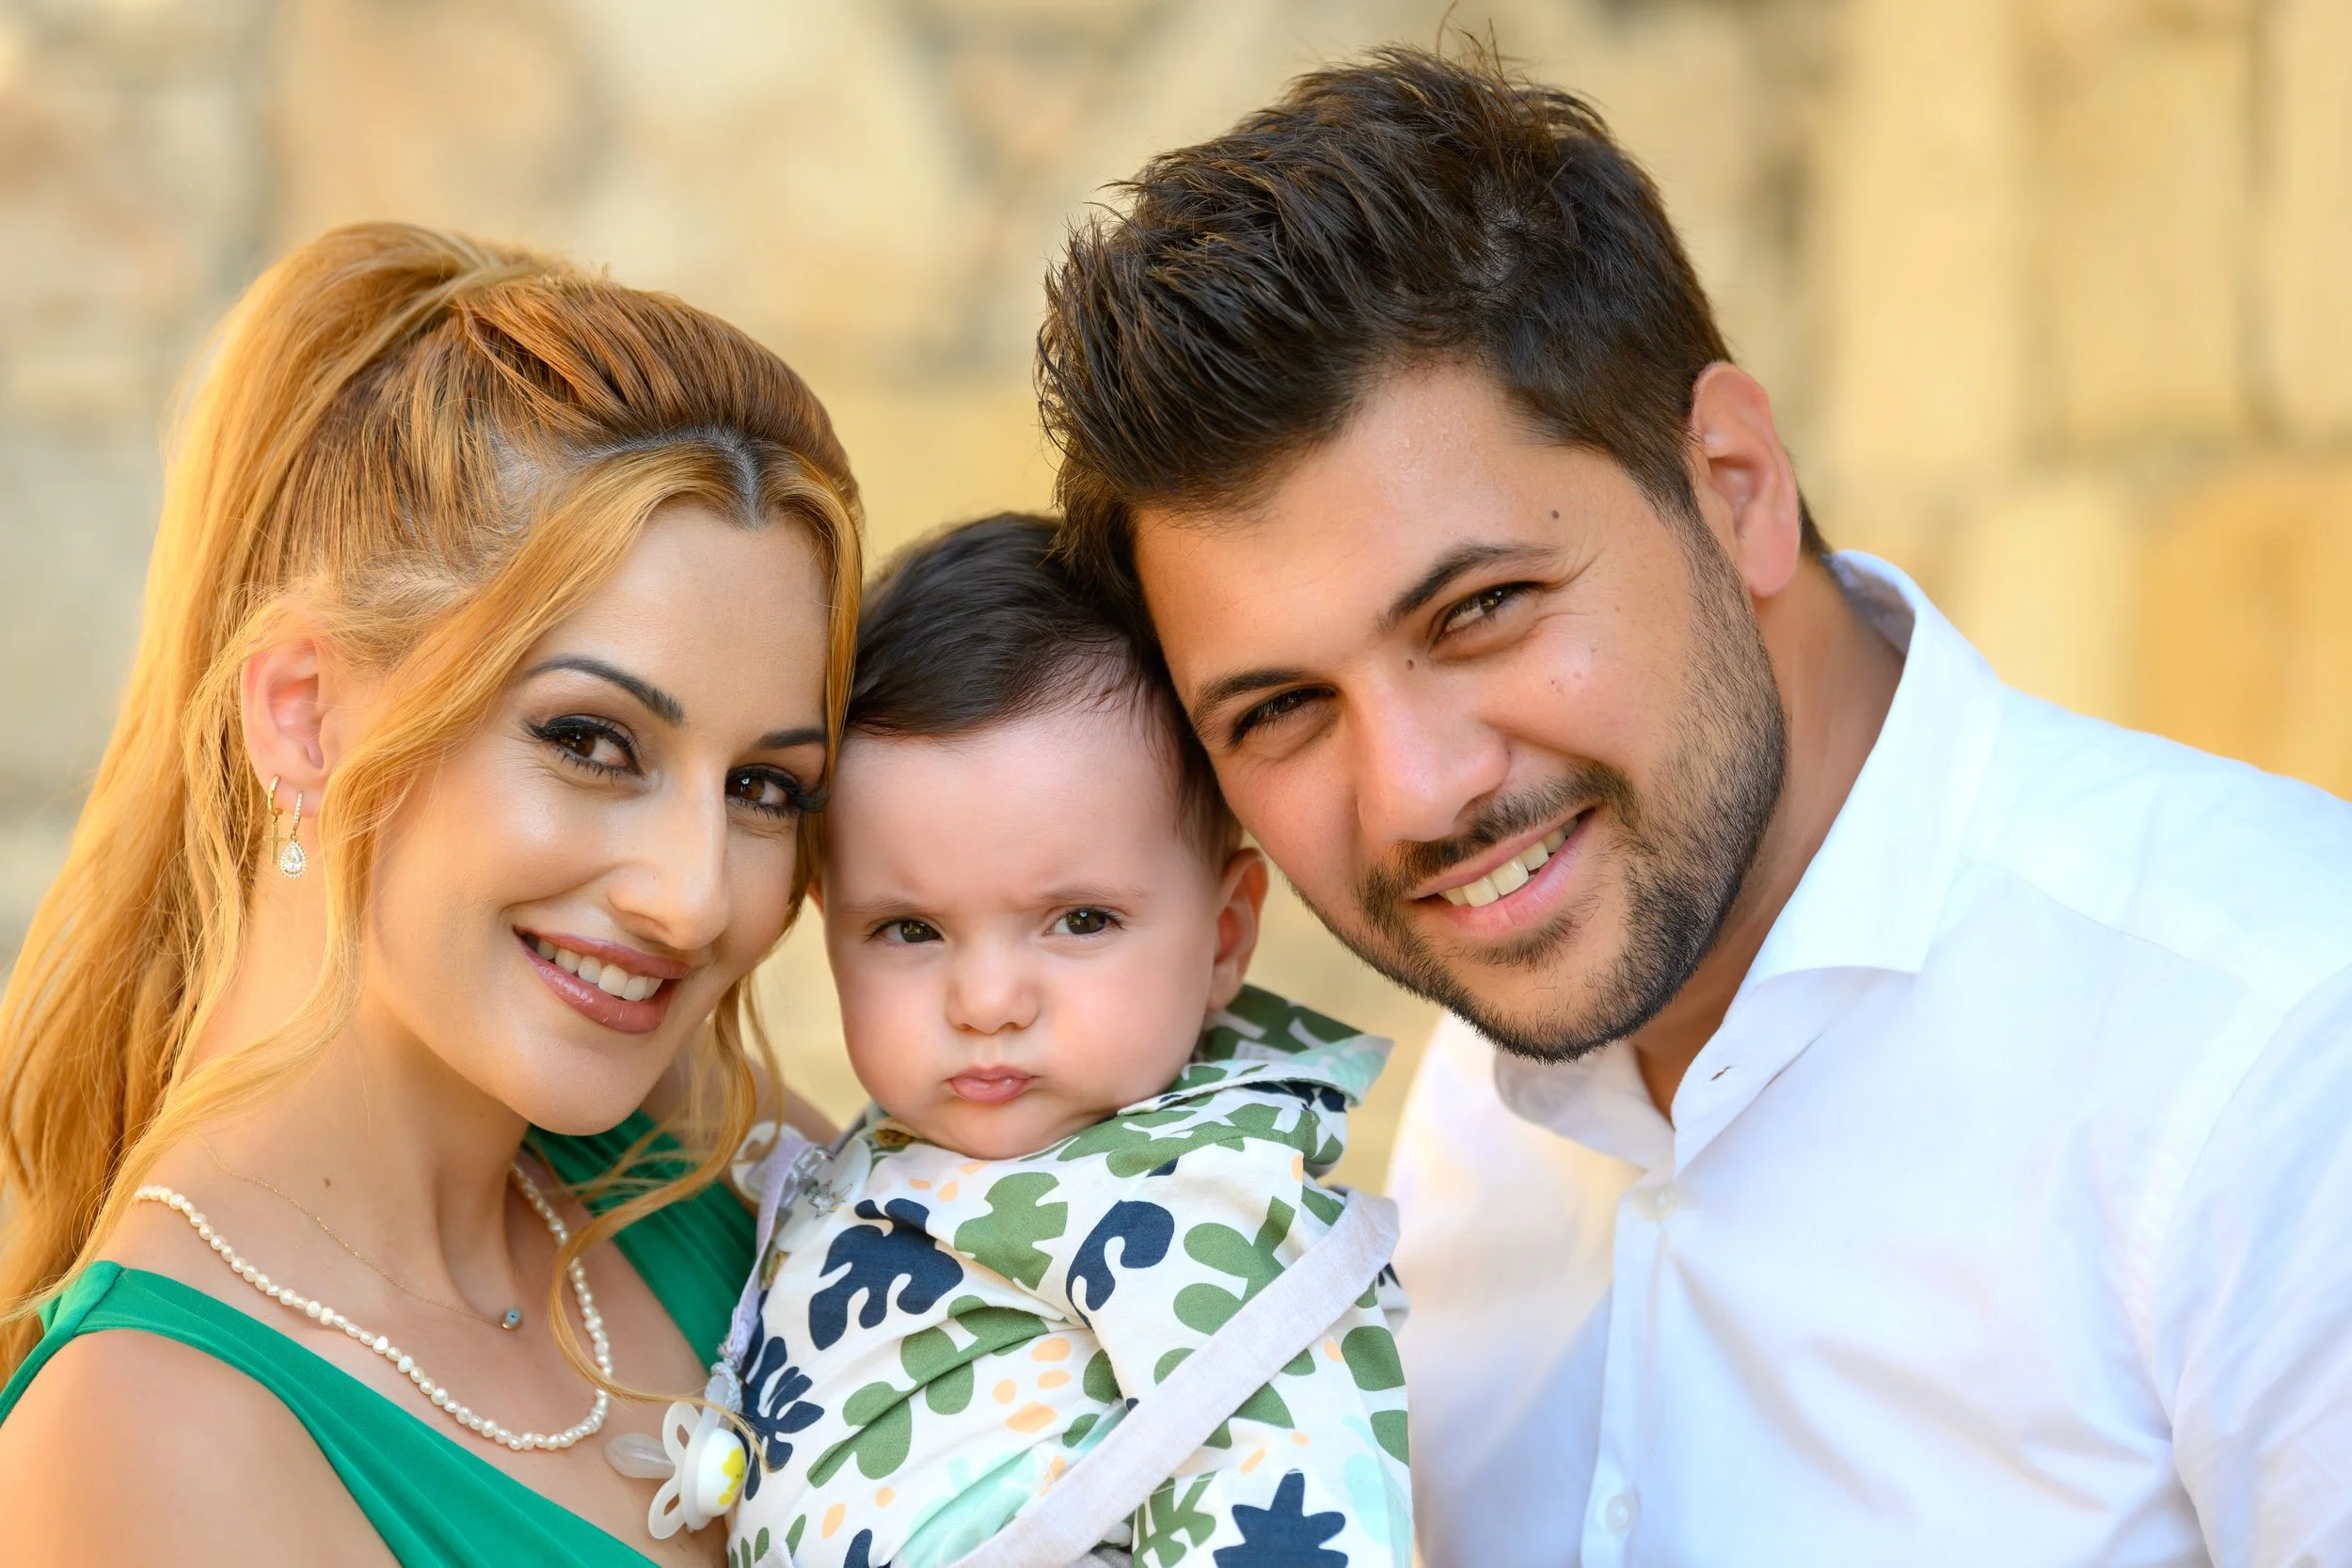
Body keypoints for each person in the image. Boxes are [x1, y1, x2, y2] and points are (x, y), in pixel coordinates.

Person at [1034, 42, 2352, 1568]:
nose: (1417, 792)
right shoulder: (1484, 1094)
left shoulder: (2278, 1049)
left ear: (1736, 481)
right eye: (1280, 711)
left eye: (1481, 611)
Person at [0, 222, 862, 1567]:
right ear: (302, 715)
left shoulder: (704, 1153)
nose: (695, 900)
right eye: (590, 740)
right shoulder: (142, 1444)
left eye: (763, 786)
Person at [724, 515, 1411, 1568]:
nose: (988, 999)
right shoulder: (873, 1158)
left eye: (1080, 919)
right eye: (910, 929)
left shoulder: (1210, 1209)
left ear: (1223, 936)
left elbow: (1294, 1517)